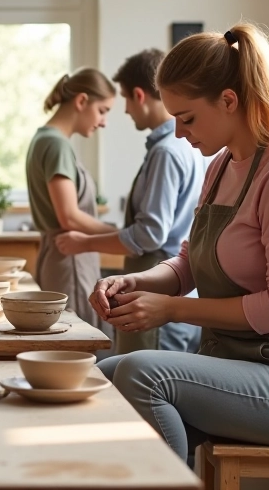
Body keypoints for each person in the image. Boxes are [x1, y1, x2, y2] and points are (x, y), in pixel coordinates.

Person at [91, 24, 269, 461]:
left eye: (186, 118)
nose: (177, 132)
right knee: (100, 377)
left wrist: (172, 309)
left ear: (228, 100)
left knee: (140, 373)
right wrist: (137, 284)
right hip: (238, 364)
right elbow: (188, 264)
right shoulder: (222, 166)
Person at [55, 49, 205, 354]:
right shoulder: (186, 147)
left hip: (159, 289)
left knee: (145, 388)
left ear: (139, 95)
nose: (124, 111)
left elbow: (149, 234)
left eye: (124, 99)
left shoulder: (166, 152)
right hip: (182, 291)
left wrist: (85, 242)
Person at [26, 68, 117, 340]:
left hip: (61, 259)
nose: (103, 122)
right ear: (81, 101)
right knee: (77, 345)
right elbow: (69, 217)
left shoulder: (43, 139)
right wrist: (120, 234)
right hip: (71, 264)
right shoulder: (56, 145)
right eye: (102, 110)